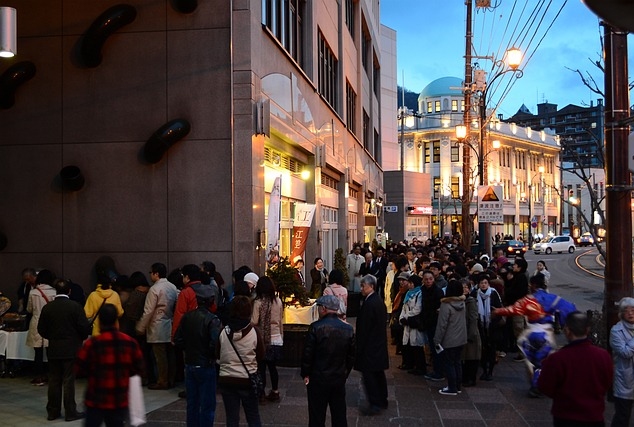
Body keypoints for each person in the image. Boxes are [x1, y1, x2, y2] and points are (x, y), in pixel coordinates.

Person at [493, 272, 576, 397]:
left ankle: (537, 385)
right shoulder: (553, 298)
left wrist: (498, 311)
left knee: (534, 362)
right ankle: (541, 385)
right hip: (546, 333)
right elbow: (570, 308)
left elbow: (513, 309)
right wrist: (566, 325)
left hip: (531, 333)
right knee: (543, 361)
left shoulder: (528, 300)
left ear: (533, 285)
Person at [538, 311, 612, 427]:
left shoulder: (557, 358)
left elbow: (545, 386)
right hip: (594, 416)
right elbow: (607, 382)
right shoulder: (603, 356)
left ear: (567, 331)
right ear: (587, 330)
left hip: (565, 416)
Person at [75, 304, 145, 427]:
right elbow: (138, 368)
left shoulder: (92, 344)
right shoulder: (130, 343)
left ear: (100, 321)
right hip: (119, 398)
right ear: (116, 320)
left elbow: (79, 369)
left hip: (95, 399)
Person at [37, 278, 91, 421]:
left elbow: (41, 329)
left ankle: (53, 412)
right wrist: (79, 337)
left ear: (56, 290)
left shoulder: (48, 307)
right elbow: (84, 328)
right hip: (71, 348)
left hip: (54, 348)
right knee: (68, 381)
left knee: (54, 380)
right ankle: (70, 412)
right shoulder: (75, 306)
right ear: (69, 291)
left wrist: (52, 337)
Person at [301, 295, 355, 427]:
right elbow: (351, 356)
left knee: (316, 415)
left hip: (318, 377)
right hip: (337, 377)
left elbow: (308, 354)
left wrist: (306, 373)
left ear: (324, 309)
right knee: (339, 414)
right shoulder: (348, 329)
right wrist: (345, 372)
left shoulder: (315, 327)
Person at [173, 284, 222, 426]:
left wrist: (189, 349)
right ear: (211, 301)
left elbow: (178, 339)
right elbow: (215, 344)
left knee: (192, 403)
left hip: (190, 362)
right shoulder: (213, 320)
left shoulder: (187, 317)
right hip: (206, 365)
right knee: (207, 405)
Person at [218, 295, 264, 427]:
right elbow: (261, 354)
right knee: (253, 416)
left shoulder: (223, 332)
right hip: (247, 379)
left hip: (227, 379)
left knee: (232, 418)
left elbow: (217, 353)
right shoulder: (254, 331)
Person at [136, 262, 179, 390]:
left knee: (160, 357)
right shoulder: (172, 287)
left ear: (156, 274)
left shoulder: (154, 289)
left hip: (157, 325)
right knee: (170, 355)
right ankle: (171, 379)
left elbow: (148, 311)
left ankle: (162, 381)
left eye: (151, 272)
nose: (150, 275)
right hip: (169, 323)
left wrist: (140, 327)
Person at [354, 274, 389, 415]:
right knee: (378, 374)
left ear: (372, 286)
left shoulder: (370, 303)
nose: (361, 288)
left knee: (370, 376)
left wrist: (359, 346)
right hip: (377, 345)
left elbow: (365, 328)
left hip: (370, 347)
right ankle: (382, 399)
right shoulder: (376, 301)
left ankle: (375, 403)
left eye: (363, 286)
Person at [251, 276, 284, 403]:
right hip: (276, 338)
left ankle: (262, 394)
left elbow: (254, 321)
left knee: (262, 367)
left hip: (262, 339)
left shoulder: (258, 302)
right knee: (273, 367)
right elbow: (280, 320)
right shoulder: (278, 301)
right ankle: (275, 391)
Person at [434, 279, 467, 396]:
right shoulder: (462, 303)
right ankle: (457, 386)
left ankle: (452, 387)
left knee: (449, 363)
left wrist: (437, 340)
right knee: (457, 362)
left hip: (449, 339)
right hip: (461, 338)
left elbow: (442, 325)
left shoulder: (446, 305)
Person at [26, 269, 57, 386]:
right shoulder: (54, 292)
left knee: (38, 352)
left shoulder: (33, 292)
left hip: (36, 323)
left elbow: (29, 309)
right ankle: (52, 375)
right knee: (51, 352)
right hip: (50, 323)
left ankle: (39, 376)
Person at [472, 273, 504, 381]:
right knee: (483, 350)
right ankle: (484, 371)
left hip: (492, 326)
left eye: (485, 283)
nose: (483, 285)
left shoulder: (494, 294)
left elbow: (499, 310)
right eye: (481, 283)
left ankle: (490, 371)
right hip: (480, 326)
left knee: (491, 349)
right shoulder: (475, 293)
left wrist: (494, 318)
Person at [609, 297, 634, 426]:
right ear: (621, 314)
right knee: (622, 416)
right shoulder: (616, 331)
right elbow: (625, 353)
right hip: (625, 380)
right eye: (626, 310)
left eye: (633, 310)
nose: (630, 313)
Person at [398, 274, 425, 375]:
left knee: (417, 346)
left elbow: (417, 309)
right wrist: (402, 317)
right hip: (407, 322)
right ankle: (409, 363)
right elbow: (404, 307)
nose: (408, 285)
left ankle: (420, 367)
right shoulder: (408, 294)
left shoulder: (419, 294)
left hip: (414, 323)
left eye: (410, 283)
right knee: (407, 344)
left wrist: (406, 317)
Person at [420, 270, 445, 381]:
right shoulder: (422, 290)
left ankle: (439, 371)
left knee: (437, 348)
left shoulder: (438, 291)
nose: (428, 281)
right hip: (427, 322)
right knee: (431, 347)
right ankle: (436, 369)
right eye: (426, 279)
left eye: (430, 279)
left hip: (435, 323)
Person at [461, 279, 481, 387]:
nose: (464, 289)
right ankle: (466, 378)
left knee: (471, 357)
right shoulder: (461, 300)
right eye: (462, 287)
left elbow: (473, 319)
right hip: (463, 332)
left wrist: (471, 334)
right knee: (465, 357)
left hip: (471, 334)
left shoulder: (471, 301)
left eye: (466, 287)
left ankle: (471, 379)